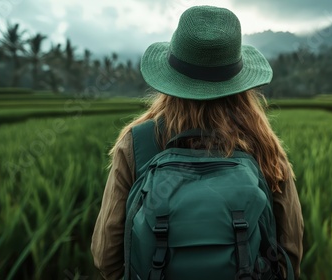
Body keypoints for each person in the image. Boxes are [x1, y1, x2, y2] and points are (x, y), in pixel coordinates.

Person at [91, 5, 304, 280]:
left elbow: (105, 255)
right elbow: (291, 252)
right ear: (239, 82)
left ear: (170, 77)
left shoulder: (137, 143)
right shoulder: (263, 145)